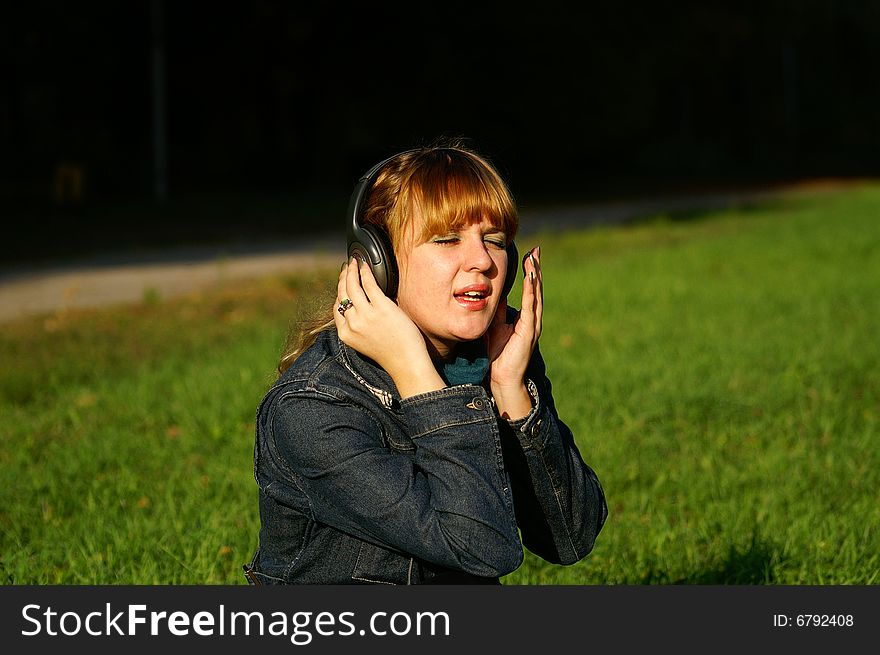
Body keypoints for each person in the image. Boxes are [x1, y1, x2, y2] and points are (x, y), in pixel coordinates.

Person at [245, 141, 607, 584]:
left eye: (494, 240)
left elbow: (571, 537)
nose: (481, 262)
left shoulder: (491, 364)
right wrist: (420, 378)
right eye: (447, 240)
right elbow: (482, 549)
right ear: (377, 263)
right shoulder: (314, 410)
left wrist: (513, 391)